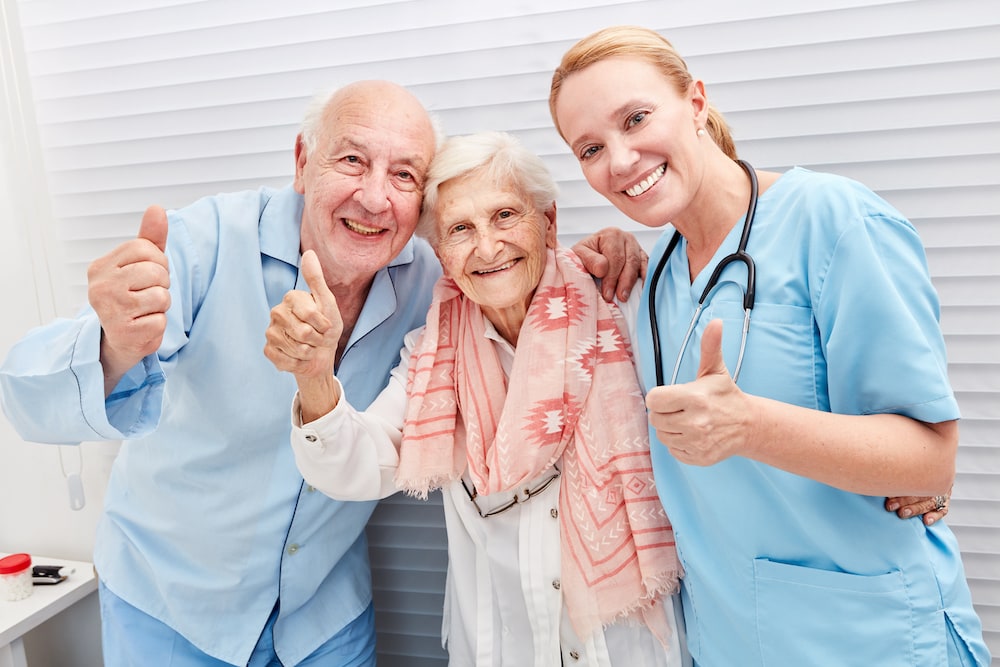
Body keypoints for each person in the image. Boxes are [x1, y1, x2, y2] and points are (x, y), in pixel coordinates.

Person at [0, 81, 642, 667]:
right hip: (173, 608)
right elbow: (24, 392)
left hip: (323, 619)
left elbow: (521, 277)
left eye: (403, 174)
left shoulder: (435, 282)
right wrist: (114, 344)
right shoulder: (207, 241)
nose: (374, 196)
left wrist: (604, 252)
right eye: (353, 161)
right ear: (303, 161)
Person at [548, 25, 991, 666]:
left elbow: (928, 464)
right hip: (727, 641)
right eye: (589, 148)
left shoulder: (835, 222)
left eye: (636, 118)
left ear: (696, 103)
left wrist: (748, 425)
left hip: (869, 641)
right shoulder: (654, 280)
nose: (618, 161)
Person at [265, 131, 685, 667]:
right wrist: (315, 376)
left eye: (506, 216)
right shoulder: (433, 352)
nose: (487, 248)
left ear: (549, 223)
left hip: (630, 647)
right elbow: (358, 466)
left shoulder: (627, 309)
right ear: (440, 253)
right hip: (503, 647)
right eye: (461, 229)